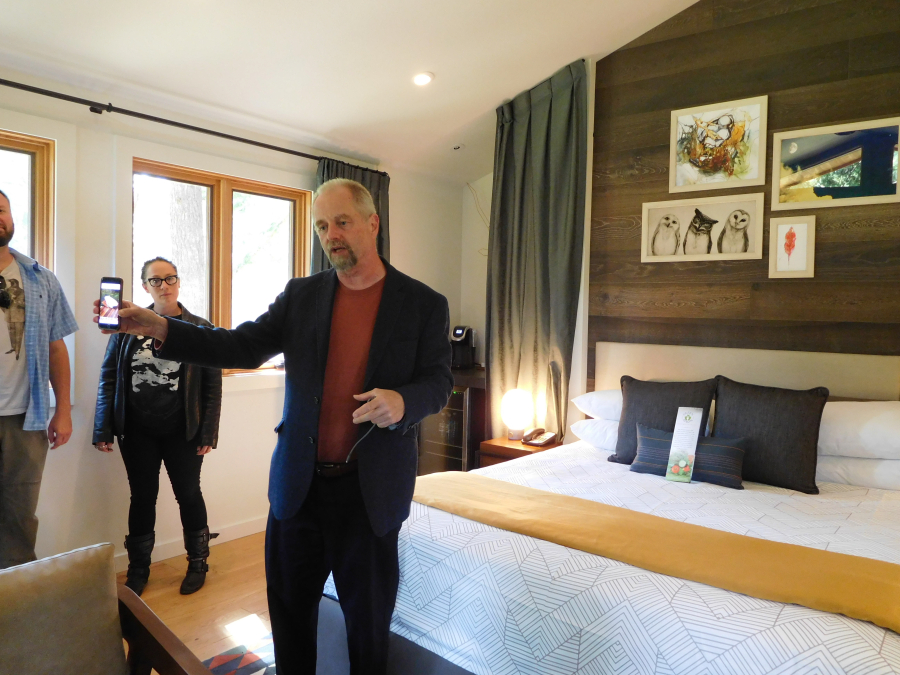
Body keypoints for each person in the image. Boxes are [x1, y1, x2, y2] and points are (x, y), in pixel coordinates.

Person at [95, 178, 453, 674]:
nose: (332, 235)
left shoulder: (422, 302)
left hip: (370, 495)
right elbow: (240, 346)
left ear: (373, 223)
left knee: (368, 628)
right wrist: (159, 326)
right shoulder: (301, 295)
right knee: (289, 618)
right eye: (322, 226)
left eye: (342, 222)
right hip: (298, 488)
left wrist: (403, 400)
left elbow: (439, 381)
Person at [92, 257, 222, 596]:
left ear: (178, 282)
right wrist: (102, 428)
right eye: (155, 280)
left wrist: (209, 431)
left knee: (188, 495)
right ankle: (138, 570)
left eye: (170, 278)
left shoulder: (200, 327)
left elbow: (211, 385)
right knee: (142, 498)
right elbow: (109, 377)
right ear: (145, 286)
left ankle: (198, 562)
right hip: (136, 431)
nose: (164, 285)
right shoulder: (128, 326)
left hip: (185, 430)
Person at [0, 188, 77, 569]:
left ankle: (15, 603)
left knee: (19, 517)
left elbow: (56, 348)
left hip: (25, 419)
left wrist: (63, 410)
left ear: (12, 219)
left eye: (0, 210)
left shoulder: (41, 278)